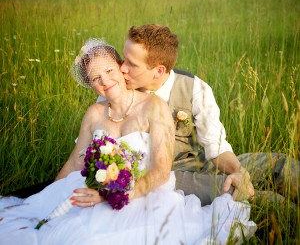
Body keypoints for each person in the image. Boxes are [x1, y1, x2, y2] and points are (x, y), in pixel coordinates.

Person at [0, 39, 257, 244]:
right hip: (93, 192)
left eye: (110, 70)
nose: (105, 81)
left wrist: (114, 195)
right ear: (90, 84)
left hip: (141, 195)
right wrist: (49, 199)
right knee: (44, 231)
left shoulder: (154, 107)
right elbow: (74, 164)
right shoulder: (95, 113)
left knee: (91, 239)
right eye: (95, 78)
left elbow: (160, 169)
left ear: (122, 68)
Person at [105, 24, 299, 206]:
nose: (122, 68)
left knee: (281, 165)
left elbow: (216, 147)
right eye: (124, 58)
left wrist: (238, 171)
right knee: (245, 193)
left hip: (203, 162)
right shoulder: (117, 91)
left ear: (159, 71)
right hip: (173, 177)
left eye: (132, 64)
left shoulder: (195, 88)